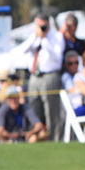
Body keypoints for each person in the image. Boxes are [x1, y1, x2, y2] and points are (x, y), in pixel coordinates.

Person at [11, 12, 65, 142]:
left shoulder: (56, 37)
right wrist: (35, 38)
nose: (40, 28)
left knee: (51, 110)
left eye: (42, 25)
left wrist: (45, 39)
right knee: (33, 107)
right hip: (34, 76)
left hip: (50, 76)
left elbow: (57, 57)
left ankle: (54, 138)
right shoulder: (33, 37)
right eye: (37, 25)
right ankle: (35, 136)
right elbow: (21, 51)